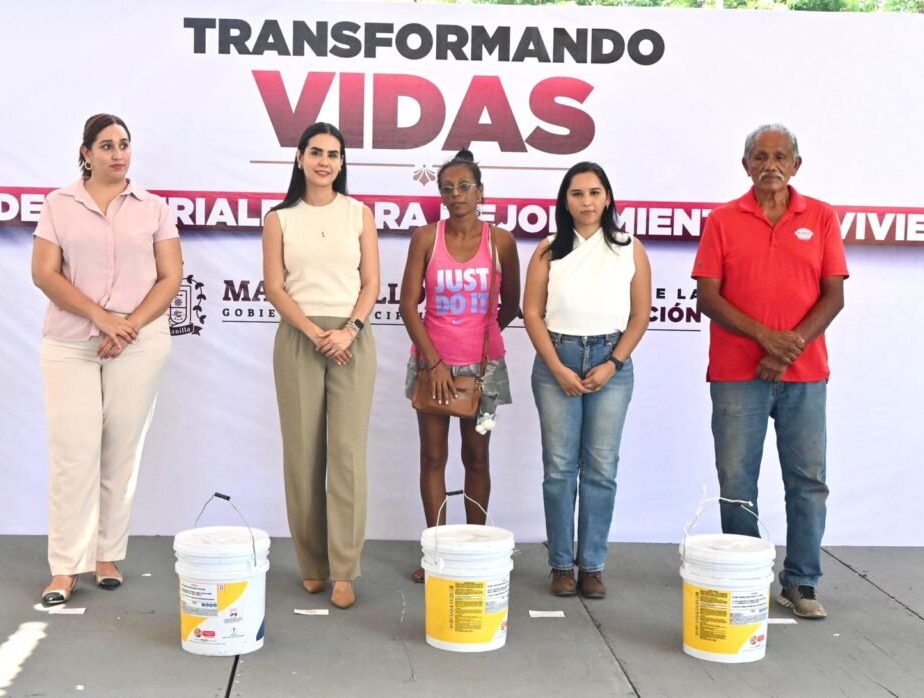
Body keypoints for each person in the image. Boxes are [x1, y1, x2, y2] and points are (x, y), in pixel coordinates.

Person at [692, 124, 847, 619]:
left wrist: (786, 350)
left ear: (796, 165)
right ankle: (746, 579)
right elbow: (707, 297)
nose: (770, 165)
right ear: (746, 166)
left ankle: (801, 582)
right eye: (760, 157)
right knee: (737, 482)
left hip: (806, 375)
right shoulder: (722, 220)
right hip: (737, 375)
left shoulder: (821, 217)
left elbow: (834, 296)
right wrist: (766, 337)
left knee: (808, 482)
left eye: (780, 156)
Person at [31, 114, 183, 606]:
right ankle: (64, 567)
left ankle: (107, 555)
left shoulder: (154, 208)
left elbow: (170, 277)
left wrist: (128, 325)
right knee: (73, 454)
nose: (118, 154)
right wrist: (102, 319)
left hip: (138, 343)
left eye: (124, 145)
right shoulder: (59, 204)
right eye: (107, 146)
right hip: (71, 343)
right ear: (87, 152)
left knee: (121, 452)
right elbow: (45, 274)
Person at [262, 122, 380, 610]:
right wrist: (315, 334)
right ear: (300, 158)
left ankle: (345, 570)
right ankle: (312, 564)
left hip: (351, 339)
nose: (324, 162)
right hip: (300, 337)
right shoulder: (280, 219)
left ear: (342, 162)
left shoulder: (359, 213)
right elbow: (275, 287)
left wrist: (348, 331)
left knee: (347, 456)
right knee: (303, 455)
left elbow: (371, 283)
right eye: (316, 152)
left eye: (333, 154)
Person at [524, 162, 651, 598]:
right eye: (577, 194)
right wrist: (557, 368)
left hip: (610, 361)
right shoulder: (548, 250)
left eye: (595, 193)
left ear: (608, 198)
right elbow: (532, 313)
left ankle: (592, 566)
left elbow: (640, 315)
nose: (587, 202)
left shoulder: (630, 248)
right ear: (565, 201)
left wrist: (613, 363)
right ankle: (561, 565)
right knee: (559, 469)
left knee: (601, 468)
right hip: (556, 359)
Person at [400, 149, 520, 583]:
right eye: (447, 188)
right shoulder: (426, 239)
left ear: (480, 192)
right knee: (433, 456)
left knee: (477, 457)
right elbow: (408, 306)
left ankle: (473, 552)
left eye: (465, 186)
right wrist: (435, 362)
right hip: (432, 366)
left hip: (483, 371)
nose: (456, 194)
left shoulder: (500, 242)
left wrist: (479, 341)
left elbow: (511, 306)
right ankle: (436, 554)